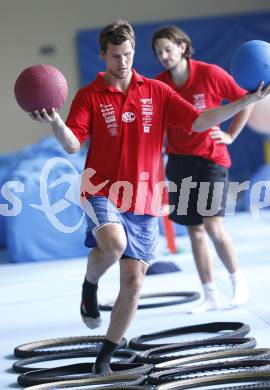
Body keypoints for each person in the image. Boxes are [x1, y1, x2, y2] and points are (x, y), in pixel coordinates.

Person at [29, 20, 269, 373]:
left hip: (144, 198)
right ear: (102, 55)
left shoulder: (156, 91)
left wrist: (246, 101)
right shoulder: (89, 96)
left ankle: (104, 359)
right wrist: (54, 122)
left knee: (134, 281)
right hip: (100, 189)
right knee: (112, 244)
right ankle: (90, 284)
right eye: (115, 56)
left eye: (128, 54)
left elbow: (201, 121)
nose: (123, 62)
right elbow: (71, 144)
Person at [152, 25, 255, 314]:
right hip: (179, 162)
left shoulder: (209, 74)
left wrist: (231, 135)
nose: (163, 56)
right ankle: (210, 294)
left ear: (182, 47)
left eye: (168, 49)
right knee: (195, 231)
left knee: (213, 225)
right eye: (159, 52)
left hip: (212, 159)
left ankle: (238, 283)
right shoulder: (160, 85)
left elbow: (244, 101)